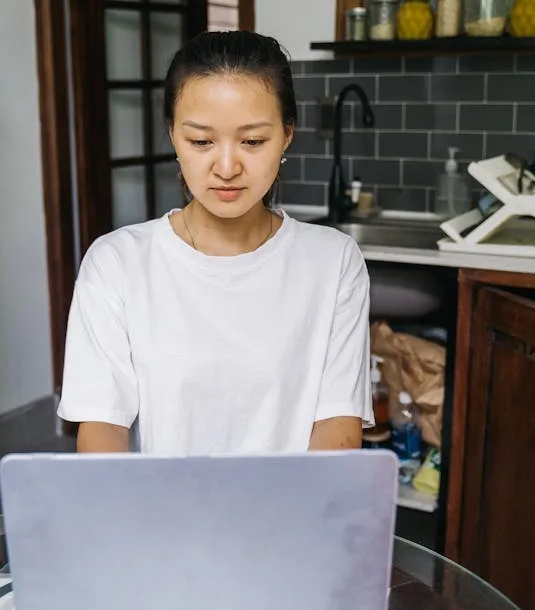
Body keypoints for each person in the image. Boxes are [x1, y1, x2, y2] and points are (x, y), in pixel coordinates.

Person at [56, 30, 372, 455]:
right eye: (201, 141)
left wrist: (298, 516)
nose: (226, 167)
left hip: (290, 514)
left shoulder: (332, 261)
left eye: (253, 141)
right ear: (172, 135)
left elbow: (337, 425)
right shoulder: (116, 264)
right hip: (162, 514)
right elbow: (101, 429)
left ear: (287, 135)